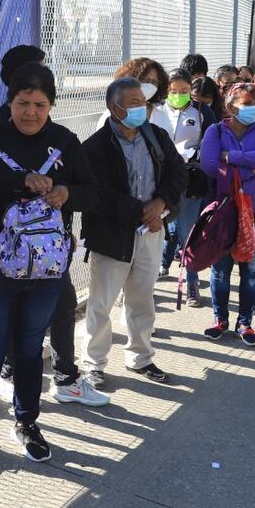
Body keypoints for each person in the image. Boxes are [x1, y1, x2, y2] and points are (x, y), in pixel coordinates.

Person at [0, 65, 99, 468]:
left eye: (40, 104)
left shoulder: (65, 142)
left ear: (51, 105)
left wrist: (67, 192)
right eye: (23, 103)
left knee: (31, 348)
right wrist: (20, 182)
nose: (31, 112)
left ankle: (27, 422)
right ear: (10, 100)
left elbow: (92, 192)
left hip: (47, 269)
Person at [80, 77, 187, 388]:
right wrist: (143, 212)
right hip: (112, 236)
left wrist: (161, 203)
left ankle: (140, 357)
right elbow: (99, 194)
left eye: (143, 101)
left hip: (150, 233)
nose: (142, 108)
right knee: (101, 304)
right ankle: (94, 364)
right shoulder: (96, 147)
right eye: (134, 103)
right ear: (115, 108)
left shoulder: (155, 136)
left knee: (142, 299)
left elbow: (178, 173)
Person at [199, 84, 255, 346]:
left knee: (252, 268)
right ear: (230, 106)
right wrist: (250, 169)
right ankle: (220, 319)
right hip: (225, 210)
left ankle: (245, 322)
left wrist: (232, 158)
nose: (253, 108)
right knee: (221, 269)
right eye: (246, 104)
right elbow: (210, 165)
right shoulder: (215, 131)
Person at [158, 69, 214, 306]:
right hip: (160, 179)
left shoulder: (201, 111)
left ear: (191, 88)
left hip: (189, 178)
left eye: (183, 91)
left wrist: (193, 155)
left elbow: (211, 141)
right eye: (173, 91)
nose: (178, 95)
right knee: (159, 230)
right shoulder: (157, 110)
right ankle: (153, 275)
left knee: (187, 231)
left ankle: (192, 282)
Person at [97, 58, 173, 133]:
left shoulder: (162, 117)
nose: (148, 85)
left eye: (153, 82)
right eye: (144, 79)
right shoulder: (112, 115)